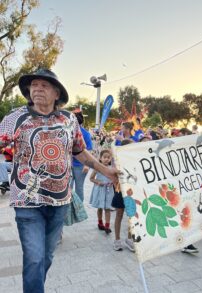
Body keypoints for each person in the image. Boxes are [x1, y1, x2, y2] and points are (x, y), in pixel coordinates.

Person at [0, 68, 118, 293]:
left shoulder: (68, 119)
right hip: (27, 201)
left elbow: (80, 152)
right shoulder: (14, 118)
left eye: (44, 85)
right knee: (34, 258)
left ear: (57, 93)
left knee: (46, 256)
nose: (37, 88)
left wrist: (107, 170)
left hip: (60, 202)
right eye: (34, 85)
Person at [112, 139, 135, 252]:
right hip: (120, 190)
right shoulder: (118, 160)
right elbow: (113, 173)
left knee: (132, 215)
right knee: (119, 214)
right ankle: (117, 239)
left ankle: (130, 239)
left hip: (132, 190)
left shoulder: (135, 159)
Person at [89, 149, 114, 234]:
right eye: (104, 157)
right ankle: (100, 223)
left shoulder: (112, 169)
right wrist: (98, 182)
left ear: (111, 158)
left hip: (108, 191)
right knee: (100, 207)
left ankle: (107, 226)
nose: (106, 159)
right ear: (100, 158)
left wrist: (113, 182)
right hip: (100, 190)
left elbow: (115, 179)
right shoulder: (97, 168)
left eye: (108, 157)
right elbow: (91, 178)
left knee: (108, 208)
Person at [70, 110, 93, 201]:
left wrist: (87, 165)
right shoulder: (68, 131)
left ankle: (79, 210)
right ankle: (69, 209)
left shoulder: (85, 134)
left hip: (80, 166)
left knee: (79, 188)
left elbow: (89, 150)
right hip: (69, 165)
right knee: (68, 188)